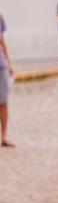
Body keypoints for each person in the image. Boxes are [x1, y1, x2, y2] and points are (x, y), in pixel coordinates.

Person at [0, 13, 14, 148]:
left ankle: (4, 136)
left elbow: (2, 41)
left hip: (1, 65)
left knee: (3, 102)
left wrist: (9, 63)